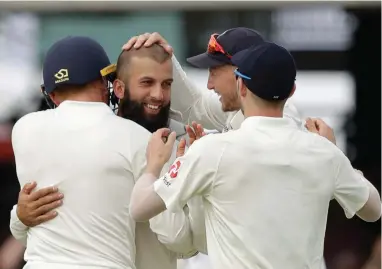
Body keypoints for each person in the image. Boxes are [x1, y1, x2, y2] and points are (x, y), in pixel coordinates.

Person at [129, 42, 381, 269]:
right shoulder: (325, 153)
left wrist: (154, 167)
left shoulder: (212, 151)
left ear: (241, 86)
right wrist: (335, 152)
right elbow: (373, 210)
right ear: (292, 90)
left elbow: (140, 207)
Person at [10, 43, 200, 269]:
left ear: (51, 94)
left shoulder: (24, 129)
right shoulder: (143, 141)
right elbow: (183, 243)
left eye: (166, 84)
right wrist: (154, 173)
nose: (158, 95)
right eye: (147, 82)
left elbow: (30, 235)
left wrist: (19, 218)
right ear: (110, 85)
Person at [122, 28, 304, 134]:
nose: (209, 84)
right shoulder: (240, 107)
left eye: (214, 71)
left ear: (240, 73)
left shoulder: (284, 123)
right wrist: (166, 55)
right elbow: (194, 107)